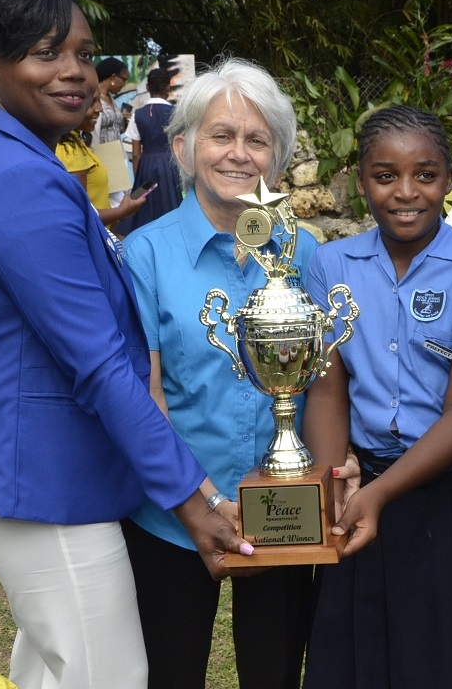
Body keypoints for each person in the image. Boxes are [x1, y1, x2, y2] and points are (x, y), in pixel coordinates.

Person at [0, 0, 247, 689]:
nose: (75, 73)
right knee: (108, 677)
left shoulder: (21, 163)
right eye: (44, 53)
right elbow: (97, 365)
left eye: (82, 52)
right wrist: (195, 497)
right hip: (36, 480)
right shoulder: (18, 182)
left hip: (39, 475)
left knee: (53, 673)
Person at [121, 58, 314, 689]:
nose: (238, 154)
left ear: (277, 159)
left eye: (257, 140)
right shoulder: (142, 255)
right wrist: (202, 501)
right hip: (174, 514)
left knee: (277, 672)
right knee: (170, 674)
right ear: (182, 147)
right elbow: (145, 394)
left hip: (286, 510)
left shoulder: (304, 251)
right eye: (220, 135)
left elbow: (325, 379)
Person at [301, 106, 452, 689]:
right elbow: (328, 387)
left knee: (440, 659)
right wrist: (333, 478)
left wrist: (381, 495)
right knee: (355, 657)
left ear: (448, 178)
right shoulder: (331, 263)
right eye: (385, 176)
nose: (406, 192)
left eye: (426, 174)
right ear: (361, 180)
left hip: (449, 498)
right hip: (359, 486)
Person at [57, 100, 145, 229]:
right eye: (91, 102)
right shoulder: (69, 150)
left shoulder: (76, 141)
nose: (100, 109)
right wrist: (121, 211)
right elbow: (81, 215)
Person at [116, 68, 182, 237]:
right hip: (171, 166)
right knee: (171, 204)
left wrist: (140, 175)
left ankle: (138, 239)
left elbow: (136, 153)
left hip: (146, 166)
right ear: (168, 87)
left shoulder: (138, 115)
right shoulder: (177, 113)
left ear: (147, 86)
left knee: (141, 206)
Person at [94, 56, 133, 207]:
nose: (124, 84)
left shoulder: (110, 98)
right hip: (102, 155)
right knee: (111, 202)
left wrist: (122, 121)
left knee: (120, 200)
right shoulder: (94, 97)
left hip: (117, 155)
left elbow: (113, 127)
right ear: (113, 77)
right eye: (124, 79)